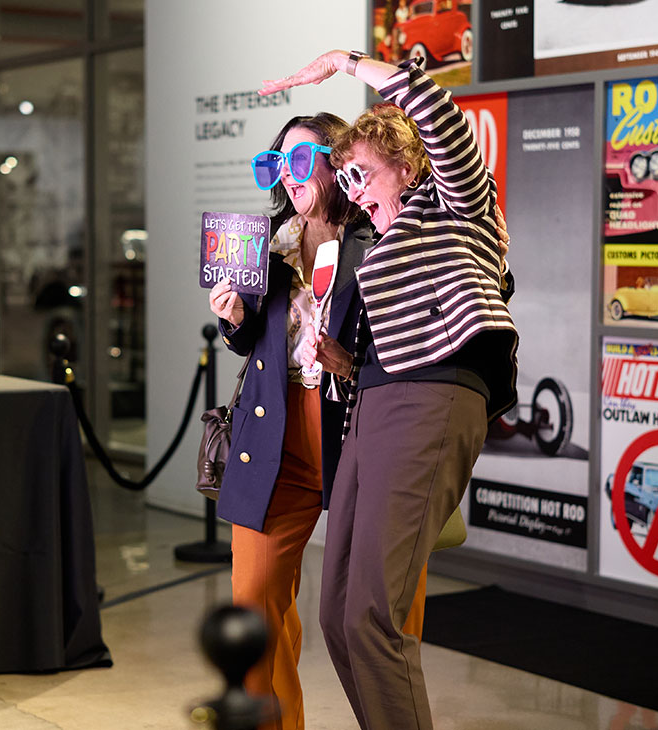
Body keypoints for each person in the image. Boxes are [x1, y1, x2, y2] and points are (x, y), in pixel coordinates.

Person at [262, 51, 518, 729]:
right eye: (346, 176)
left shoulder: (458, 203)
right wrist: (347, 363)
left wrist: (346, 64)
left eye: (364, 173)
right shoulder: (379, 238)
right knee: (339, 612)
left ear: (408, 166)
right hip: (377, 399)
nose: (356, 188)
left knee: (373, 614)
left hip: (435, 399)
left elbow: (438, 116)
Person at [209, 112, 400, 730]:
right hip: (274, 436)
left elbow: (411, 344)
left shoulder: (382, 232)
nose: (287, 177)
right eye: (275, 164)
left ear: (336, 161)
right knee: (255, 607)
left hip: (359, 432)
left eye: (298, 161)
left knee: (375, 617)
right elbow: (249, 344)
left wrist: (349, 363)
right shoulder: (264, 239)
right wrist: (234, 318)